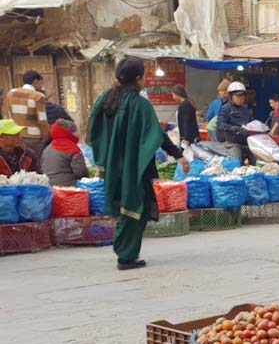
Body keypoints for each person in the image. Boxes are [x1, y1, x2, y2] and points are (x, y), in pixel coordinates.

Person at [88, 60, 189, 270]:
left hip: (111, 165)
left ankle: (126, 251)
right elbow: (157, 134)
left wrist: (104, 157)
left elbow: (93, 130)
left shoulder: (105, 99)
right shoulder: (138, 103)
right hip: (135, 165)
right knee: (135, 207)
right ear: (137, 78)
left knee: (125, 205)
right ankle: (126, 255)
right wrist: (178, 155)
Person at [2, 70, 50, 154]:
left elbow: (7, 114)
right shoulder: (38, 96)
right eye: (40, 83)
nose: (41, 86)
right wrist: (46, 136)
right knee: (35, 162)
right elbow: (42, 121)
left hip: (16, 135)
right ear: (35, 81)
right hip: (34, 138)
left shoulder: (11, 93)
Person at [41, 119, 89, 186]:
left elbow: (43, 169)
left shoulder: (47, 149)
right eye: (74, 131)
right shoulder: (72, 148)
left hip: (50, 187)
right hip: (70, 188)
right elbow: (81, 172)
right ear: (68, 132)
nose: (77, 134)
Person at [217, 81, 255, 165]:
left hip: (247, 143)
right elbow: (220, 124)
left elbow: (252, 122)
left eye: (243, 96)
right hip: (233, 144)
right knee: (236, 163)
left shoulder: (246, 110)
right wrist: (232, 128)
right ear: (231, 96)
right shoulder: (225, 109)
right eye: (238, 96)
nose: (241, 98)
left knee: (258, 161)